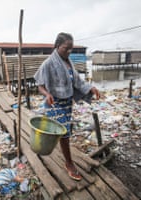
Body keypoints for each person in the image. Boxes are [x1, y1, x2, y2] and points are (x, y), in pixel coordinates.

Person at [34, 32, 100, 181]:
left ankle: (56, 147)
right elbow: (40, 85)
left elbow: (77, 81)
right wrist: (47, 94)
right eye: (66, 48)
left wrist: (90, 88)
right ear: (57, 46)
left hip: (67, 102)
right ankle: (69, 164)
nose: (69, 51)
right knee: (64, 133)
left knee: (63, 131)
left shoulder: (69, 62)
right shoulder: (49, 63)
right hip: (54, 103)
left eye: (71, 48)